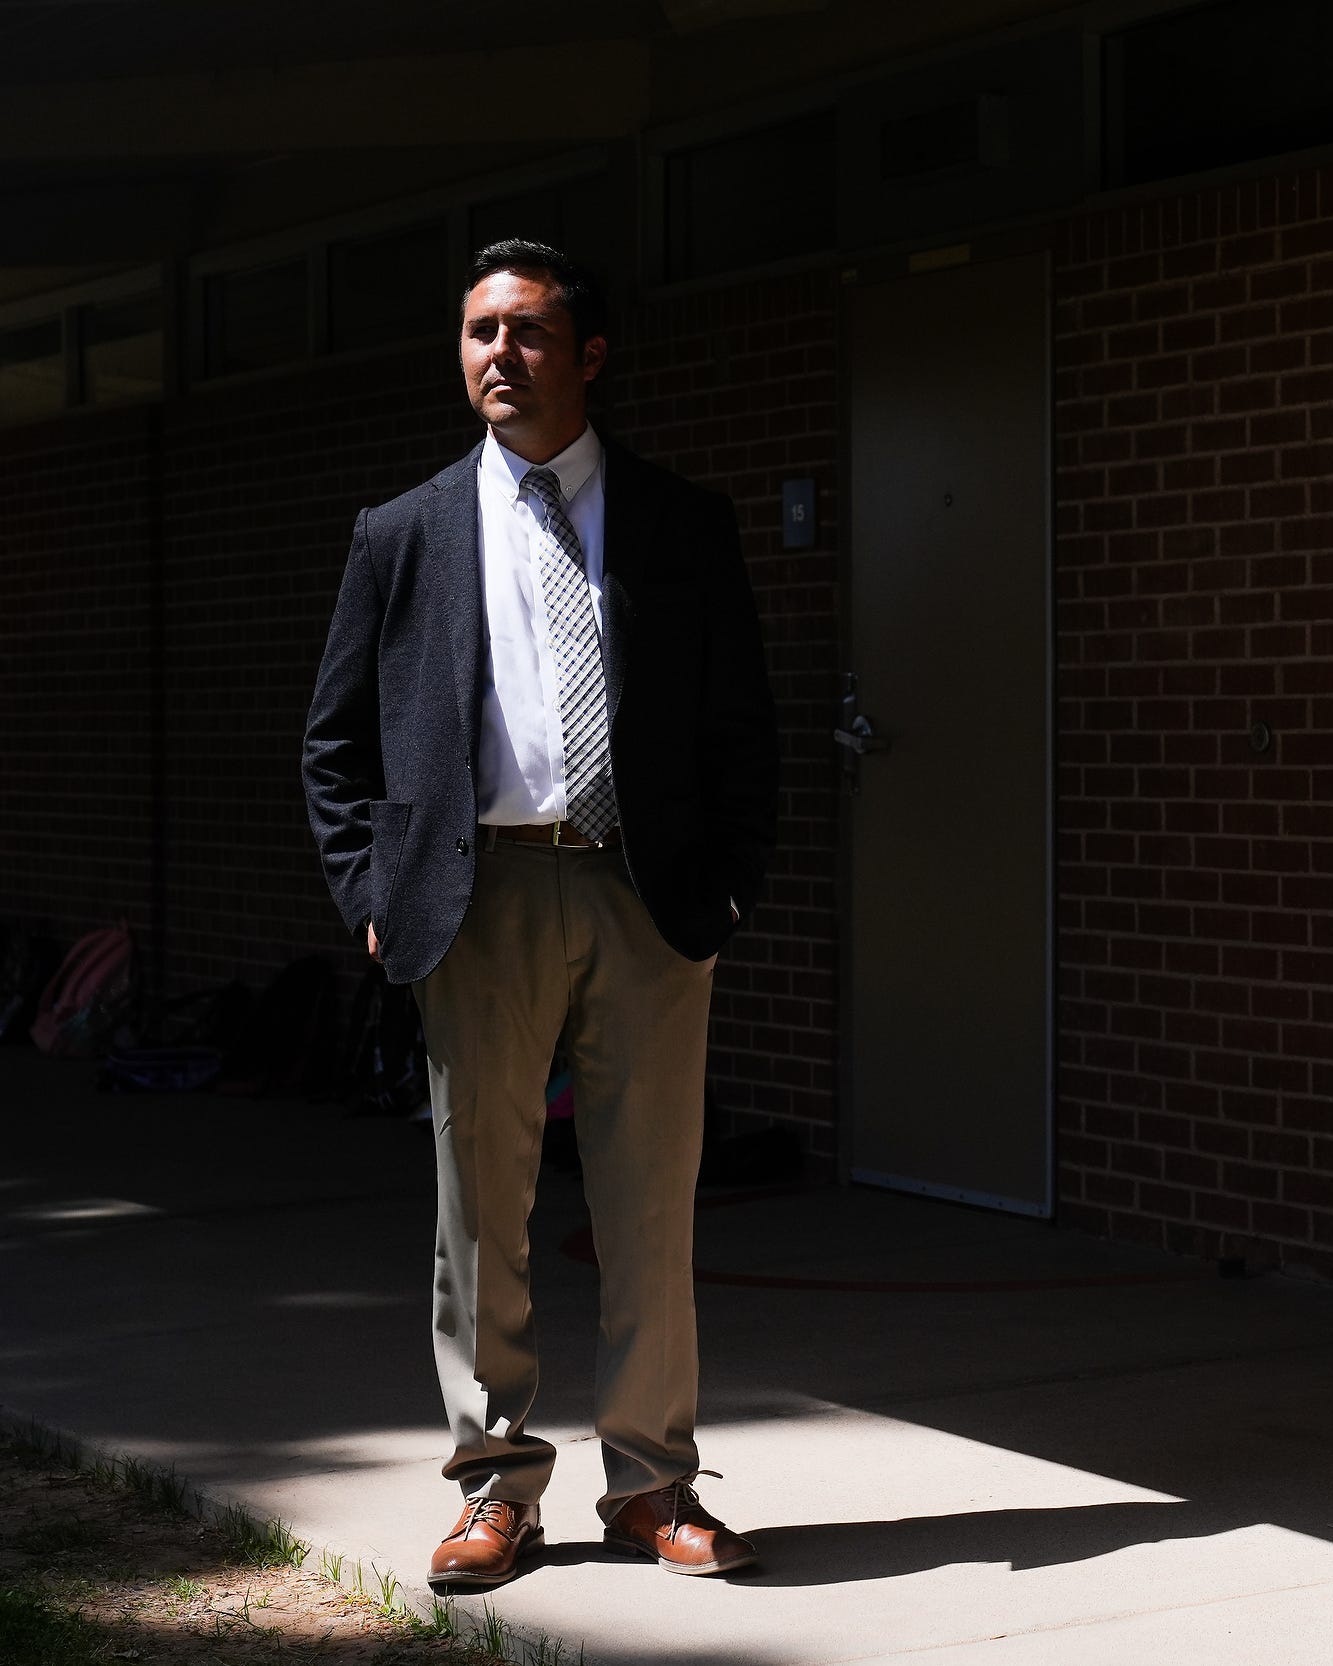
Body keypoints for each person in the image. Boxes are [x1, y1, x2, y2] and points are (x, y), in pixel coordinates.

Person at [302, 240, 778, 1588]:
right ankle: (494, 1484)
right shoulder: (400, 535)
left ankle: (653, 1484)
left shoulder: (684, 522)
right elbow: (334, 745)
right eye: (475, 333)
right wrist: (372, 894)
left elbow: (745, 728)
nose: (495, 355)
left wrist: (729, 885)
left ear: (590, 353)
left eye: (524, 331)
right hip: (477, 898)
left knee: (648, 1206)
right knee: (480, 1212)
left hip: (646, 895)